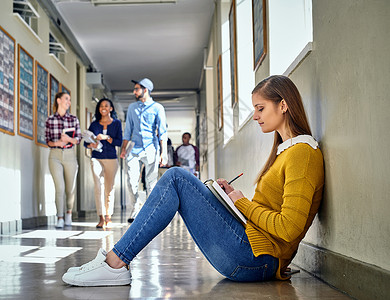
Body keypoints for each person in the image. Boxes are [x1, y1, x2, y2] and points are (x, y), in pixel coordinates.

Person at [62, 75, 324, 286]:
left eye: (260, 108)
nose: (255, 116)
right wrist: (232, 198)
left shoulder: (303, 153)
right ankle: (115, 260)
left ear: (283, 105)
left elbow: (288, 228)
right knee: (178, 178)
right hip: (254, 251)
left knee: (176, 177)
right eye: (255, 109)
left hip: (257, 259)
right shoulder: (287, 152)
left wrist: (242, 203)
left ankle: (115, 262)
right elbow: (272, 213)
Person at [119, 78, 168, 223]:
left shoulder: (157, 108)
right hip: (134, 148)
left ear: (145, 90)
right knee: (131, 180)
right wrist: (123, 150)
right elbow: (127, 130)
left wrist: (163, 153)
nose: (134, 92)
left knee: (151, 182)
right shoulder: (132, 108)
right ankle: (135, 206)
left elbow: (163, 131)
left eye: (136, 89)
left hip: (151, 148)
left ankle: (150, 212)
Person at [84, 98, 123, 228]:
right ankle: (101, 217)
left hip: (111, 158)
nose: (103, 108)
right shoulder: (94, 124)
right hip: (96, 157)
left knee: (109, 188)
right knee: (98, 186)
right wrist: (92, 143)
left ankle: (108, 216)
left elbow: (119, 142)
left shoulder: (116, 123)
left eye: (106, 105)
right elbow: (85, 142)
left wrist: (107, 138)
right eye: (101, 106)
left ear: (111, 108)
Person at [45, 92, 81, 228]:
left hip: (70, 155)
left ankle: (68, 214)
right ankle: (59, 217)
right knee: (59, 187)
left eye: (70, 100)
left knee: (70, 189)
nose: (69, 102)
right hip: (55, 155)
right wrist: (57, 143)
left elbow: (78, 139)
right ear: (58, 100)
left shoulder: (73, 119)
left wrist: (68, 140)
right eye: (66, 99)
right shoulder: (50, 120)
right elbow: (47, 141)